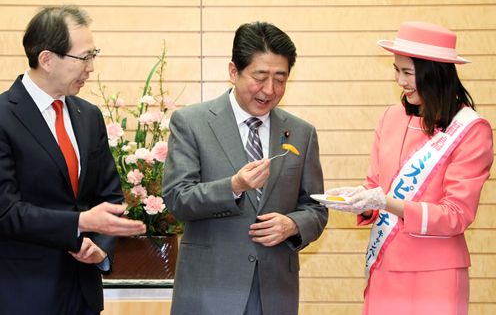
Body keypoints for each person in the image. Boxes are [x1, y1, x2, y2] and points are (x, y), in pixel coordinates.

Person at [325, 21, 493, 314]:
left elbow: (456, 214)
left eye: (407, 72)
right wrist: (360, 202)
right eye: (396, 70)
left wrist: (386, 201)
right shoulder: (390, 117)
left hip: (435, 274)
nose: (399, 81)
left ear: (434, 74)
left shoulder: (471, 130)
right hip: (385, 265)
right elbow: (375, 185)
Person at [163, 21, 328, 315]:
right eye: (260, 77)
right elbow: (178, 199)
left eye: (280, 78)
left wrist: (293, 225)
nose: (269, 90)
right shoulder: (192, 123)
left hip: (274, 292)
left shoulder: (302, 132)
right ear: (233, 72)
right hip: (209, 290)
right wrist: (234, 186)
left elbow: (315, 209)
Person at [0, 6, 146, 315]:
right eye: (84, 57)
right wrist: (79, 223)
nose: (91, 68)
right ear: (47, 59)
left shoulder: (88, 116)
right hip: (22, 294)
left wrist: (100, 249)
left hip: (83, 295)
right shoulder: (3, 117)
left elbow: (109, 199)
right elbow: (6, 212)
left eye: (94, 55)